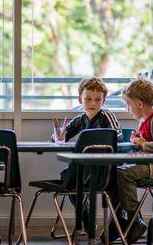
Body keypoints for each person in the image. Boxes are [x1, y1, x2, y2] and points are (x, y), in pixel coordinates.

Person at [102, 77, 153, 245]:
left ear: (140, 104)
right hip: (147, 165)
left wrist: (144, 143)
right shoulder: (144, 122)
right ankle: (119, 219)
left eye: (129, 105)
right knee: (114, 173)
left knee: (124, 175)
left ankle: (134, 222)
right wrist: (138, 141)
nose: (128, 109)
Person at [51, 77, 123, 231]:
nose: (93, 103)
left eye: (98, 99)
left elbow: (117, 135)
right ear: (80, 99)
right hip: (83, 169)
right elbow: (59, 137)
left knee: (71, 177)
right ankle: (86, 214)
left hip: (103, 170)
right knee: (66, 176)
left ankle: (88, 218)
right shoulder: (79, 120)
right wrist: (58, 137)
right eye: (88, 98)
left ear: (103, 101)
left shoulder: (106, 116)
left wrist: (98, 139)